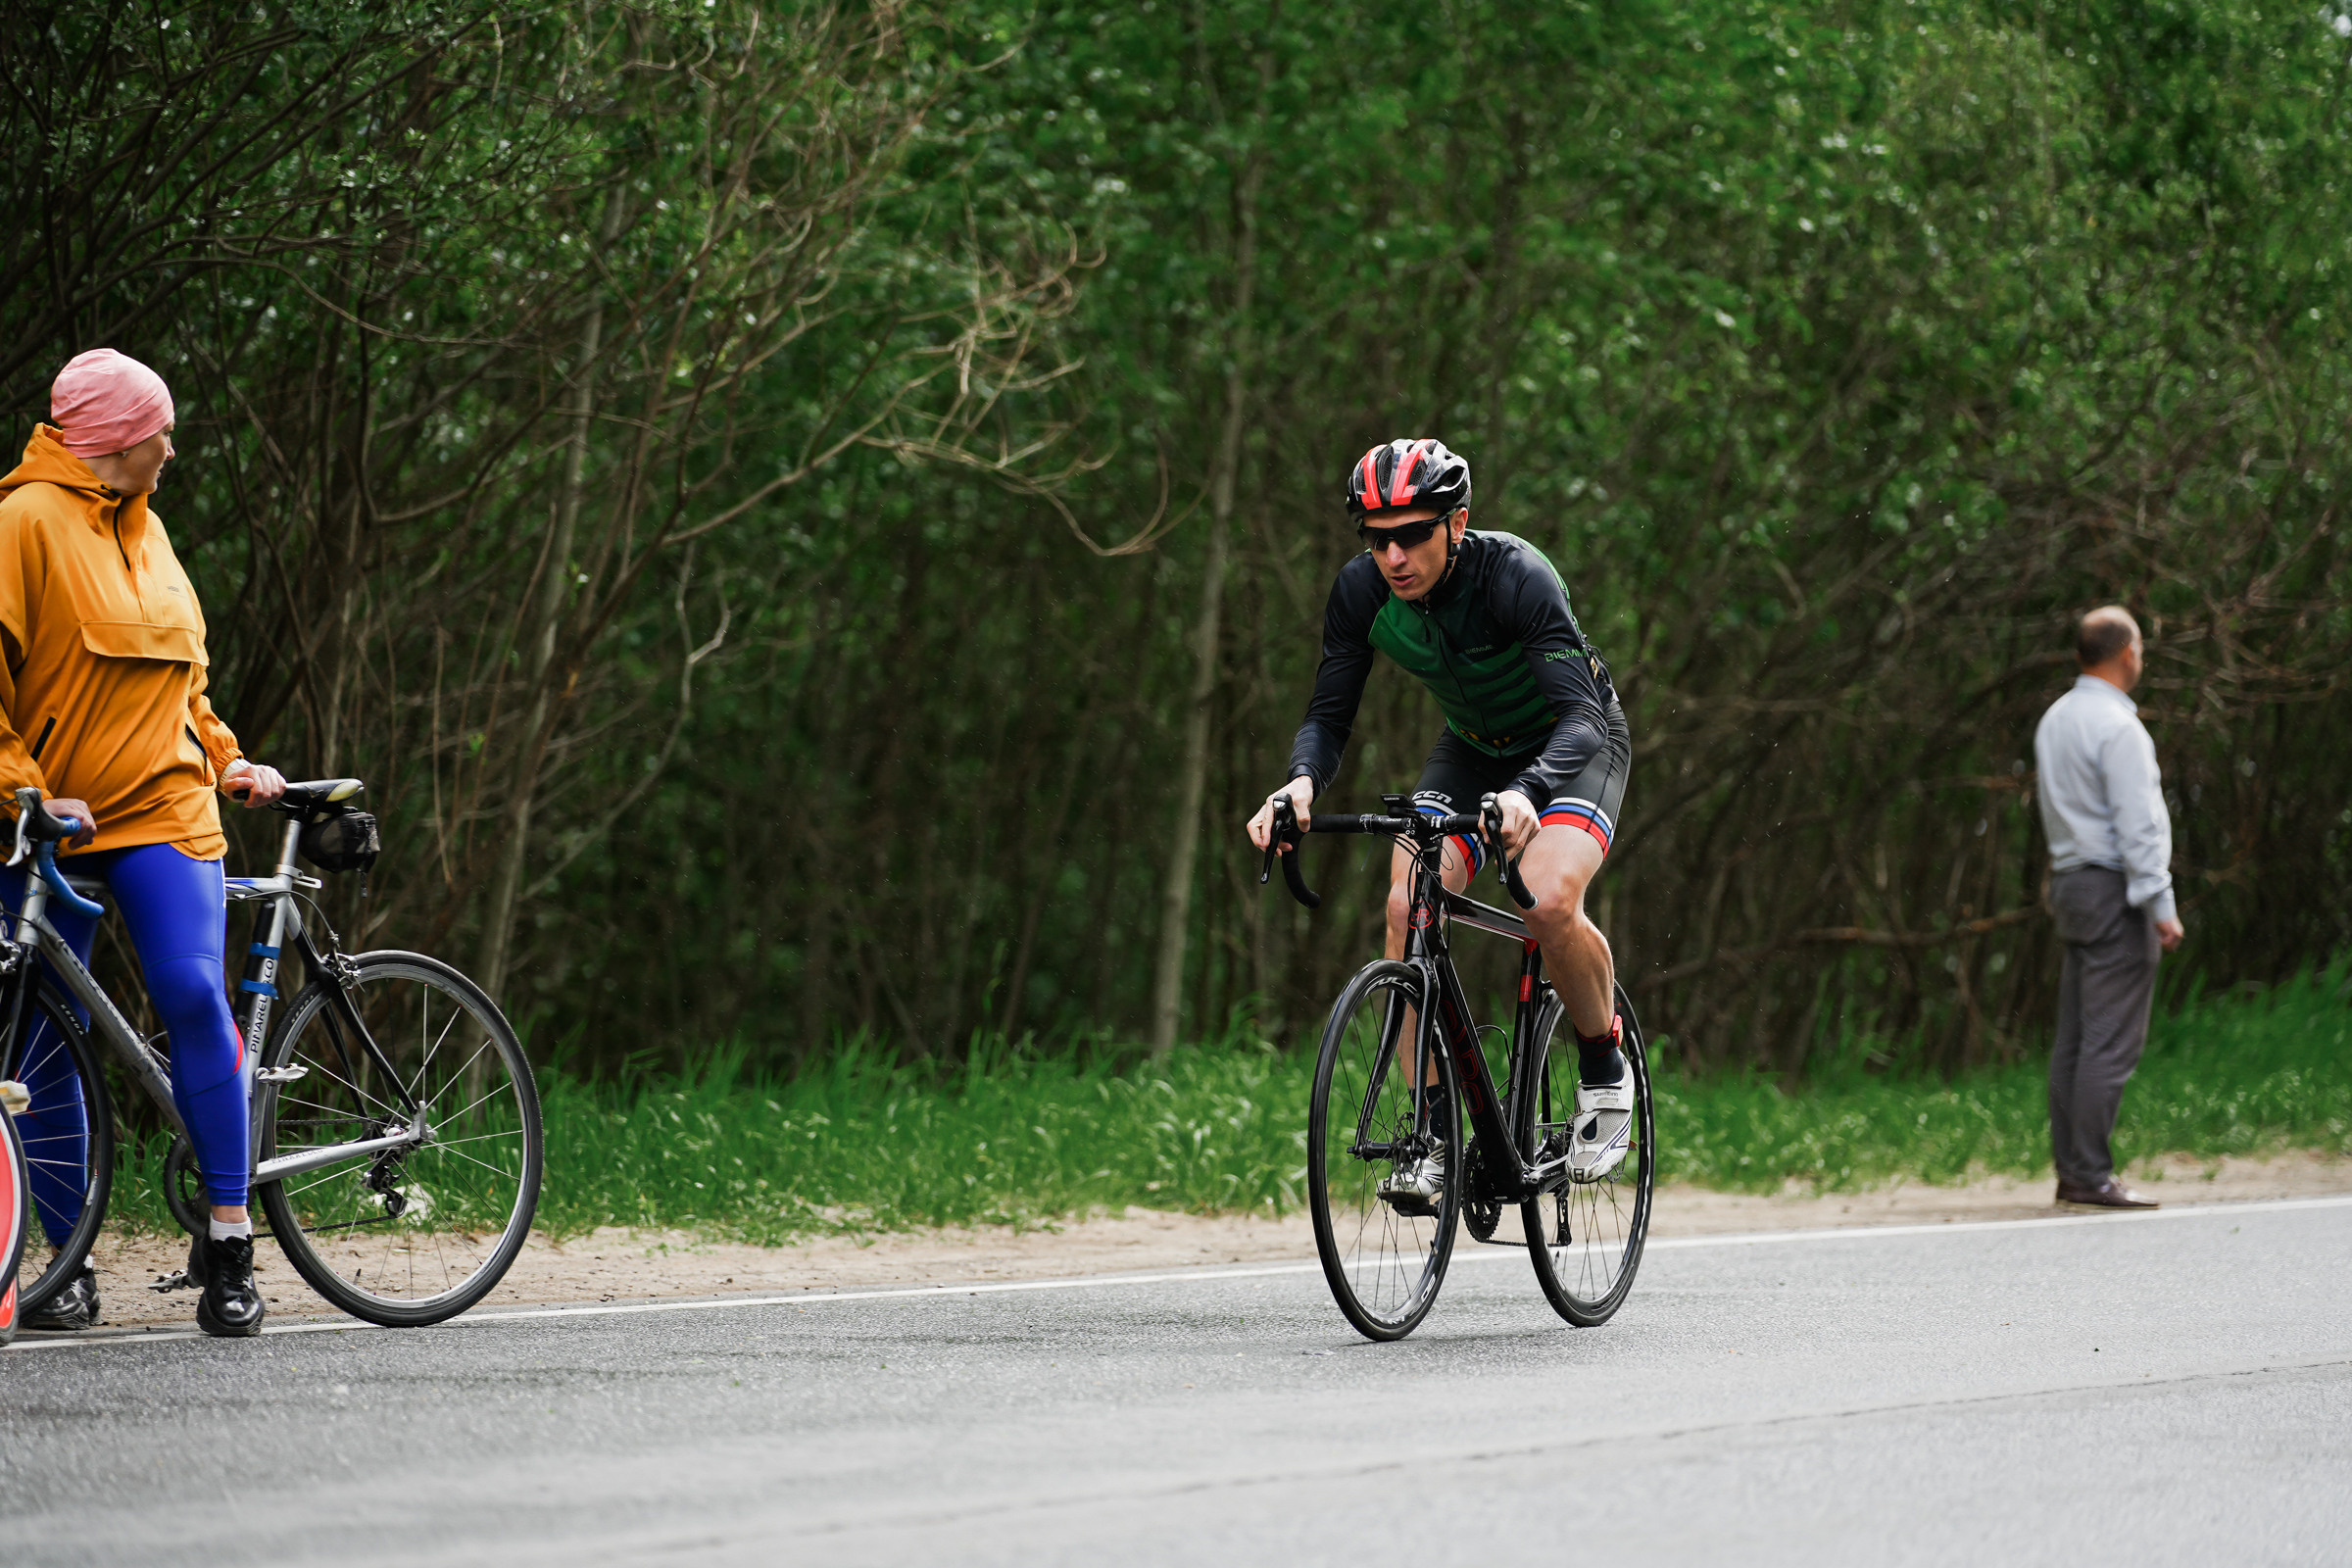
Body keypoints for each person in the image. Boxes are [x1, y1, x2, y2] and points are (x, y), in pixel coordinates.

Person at [1247, 438, 1632, 1208]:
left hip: (1571, 746)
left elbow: (1581, 716)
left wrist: (1527, 794)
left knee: (1548, 900)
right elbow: (1329, 716)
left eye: (1413, 534)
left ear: (1458, 523)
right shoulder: (1361, 595)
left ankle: (1603, 1069)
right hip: (1469, 751)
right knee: (1405, 903)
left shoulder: (1515, 575)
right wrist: (1296, 784)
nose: (1394, 555)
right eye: (1377, 538)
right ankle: (1431, 1137)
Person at [0, 348, 288, 1335]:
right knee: (42, 1040)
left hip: (164, 805)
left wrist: (228, 757)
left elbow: (185, 683)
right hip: (53, 813)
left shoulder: (152, 528)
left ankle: (229, 1237)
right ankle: (64, 1260)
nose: (173, 447)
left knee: (193, 992)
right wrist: (23, 788)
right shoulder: (23, 525)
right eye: (161, 431)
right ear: (120, 442)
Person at [2033, 605, 2182, 1209]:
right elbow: (2138, 825)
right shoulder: (2119, 728)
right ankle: (2091, 1174)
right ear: (2127, 654)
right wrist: (2161, 904)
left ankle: (2073, 1169)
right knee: (2108, 1042)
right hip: (2114, 890)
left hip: (2069, 883)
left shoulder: (2056, 719)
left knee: (2074, 1038)